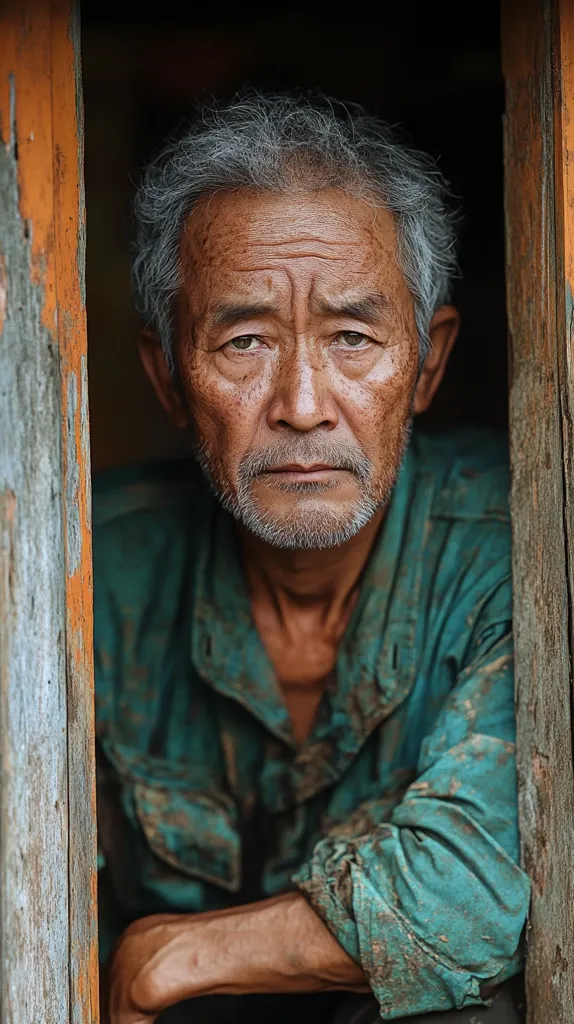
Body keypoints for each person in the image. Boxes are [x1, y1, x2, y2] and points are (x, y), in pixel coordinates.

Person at [94, 92, 530, 1024]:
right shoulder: (78, 578)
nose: (301, 403)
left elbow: (474, 898)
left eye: (353, 339)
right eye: (244, 340)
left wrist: (173, 956)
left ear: (427, 364)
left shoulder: (519, 551)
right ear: (168, 377)